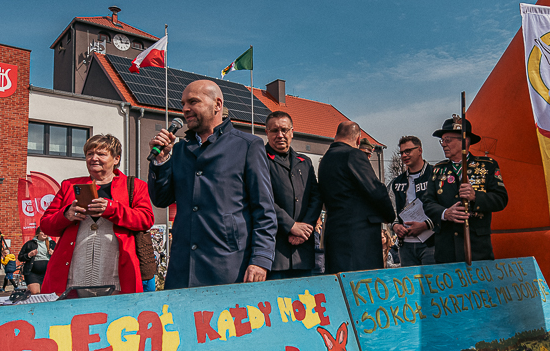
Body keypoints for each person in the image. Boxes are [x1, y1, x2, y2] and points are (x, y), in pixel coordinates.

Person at [148, 80, 277, 288]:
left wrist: (261, 259)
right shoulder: (179, 150)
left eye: (193, 102)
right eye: (183, 104)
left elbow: (264, 210)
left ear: (217, 104)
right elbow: (161, 199)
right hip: (183, 268)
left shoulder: (247, 145)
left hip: (229, 268)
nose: (185, 109)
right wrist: (161, 161)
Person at [41, 134, 155, 295]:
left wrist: (112, 209)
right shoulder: (69, 185)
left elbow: (146, 220)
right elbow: (46, 225)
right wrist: (66, 215)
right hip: (72, 276)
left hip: (117, 276)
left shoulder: (136, 186)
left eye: (101, 154)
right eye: (89, 154)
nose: (94, 158)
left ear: (116, 159)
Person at [423, 117, 508, 263]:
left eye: (448, 140)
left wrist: (475, 196)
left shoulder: (487, 166)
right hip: (446, 248)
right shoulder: (438, 169)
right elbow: (428, 202)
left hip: (477, 248)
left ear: (464, 141)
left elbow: (501, 199)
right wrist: (445, 213)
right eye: (442, 141)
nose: (443, 145)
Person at [318, 121, 395, 273]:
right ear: (358, 139)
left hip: (334, 234)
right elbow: (375, 189)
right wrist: (389, 216)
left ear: (336, 136)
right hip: (359, 239)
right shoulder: (353, 154)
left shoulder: (325, 160)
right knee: (363, 283)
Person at [264, 110, 322, 279]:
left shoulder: (304, 162)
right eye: (274, 130)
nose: (280, 135)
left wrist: (305, 228)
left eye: (284, 130)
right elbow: (263, 199)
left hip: (302, 252)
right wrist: (291, 226)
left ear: (292, 132)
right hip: (275, 252)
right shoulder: (259, 159)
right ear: (267, 132)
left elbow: (316, 197)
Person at [390, 135, 435, 267]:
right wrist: (395, 226)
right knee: (410, 280)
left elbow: (445, 207)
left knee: (432, 279)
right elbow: (391, 209)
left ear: (419, 150)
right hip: (406, 246)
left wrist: (426, 225)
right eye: (402, 153)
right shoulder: (397, 182)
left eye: (408, 151)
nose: (404, 155)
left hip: (431, 243)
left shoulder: (435, 174)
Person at [18, 228, 55, 294]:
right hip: (33, 273)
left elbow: (61, 257)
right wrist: (29, 255)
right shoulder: (30, 243)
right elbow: (20, 257)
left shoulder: (52, 243)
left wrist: (54, 254)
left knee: (45, 294)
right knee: (35, 293)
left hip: (47, 273)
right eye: (42, 232)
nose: (44, 233)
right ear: (38, 233)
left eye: (46, 232)